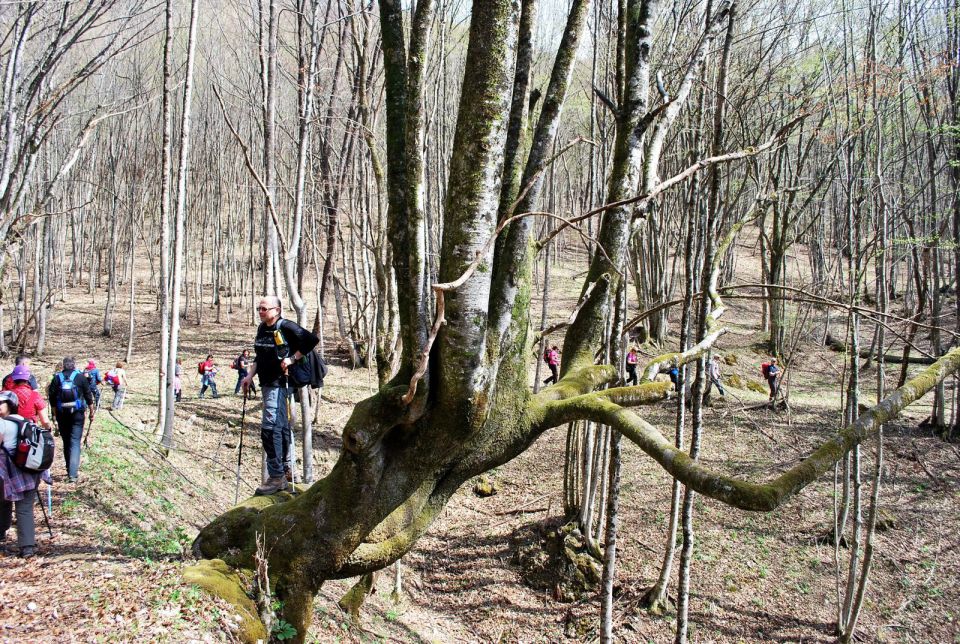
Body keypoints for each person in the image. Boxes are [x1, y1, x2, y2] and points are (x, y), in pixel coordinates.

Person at [241, 296, 319, 495]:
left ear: (276, 310)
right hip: (266, 383)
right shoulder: (262, 329)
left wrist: (292, 359)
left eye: (264, 308)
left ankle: (276, 476)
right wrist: (249, 376)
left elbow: (311, 340)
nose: (260, 311)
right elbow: (260, 357)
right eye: (259, 308)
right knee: (281, 427)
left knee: (270, 428)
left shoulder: (286, 326)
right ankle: (285, 469)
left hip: (280, 384)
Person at [0, 391, 48, 558]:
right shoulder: (25, 421)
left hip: (6, 473)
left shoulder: (2, 424)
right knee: (24, 508)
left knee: (4, 503)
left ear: (10, 405)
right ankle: (27, 547)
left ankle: (1, 534)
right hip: (29, 471)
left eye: (1, 403)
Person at [47, 357, 95, 483]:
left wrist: (54, 414)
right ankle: (73, 474)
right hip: (77, 414)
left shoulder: (57, 378)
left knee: (66, 441)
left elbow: (51, 397)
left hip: (62, 414)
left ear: (63, 365)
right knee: (75, 441)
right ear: (74, 365)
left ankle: (69, 468)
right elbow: (88, 395)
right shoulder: (80, 377)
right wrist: (91, 411)